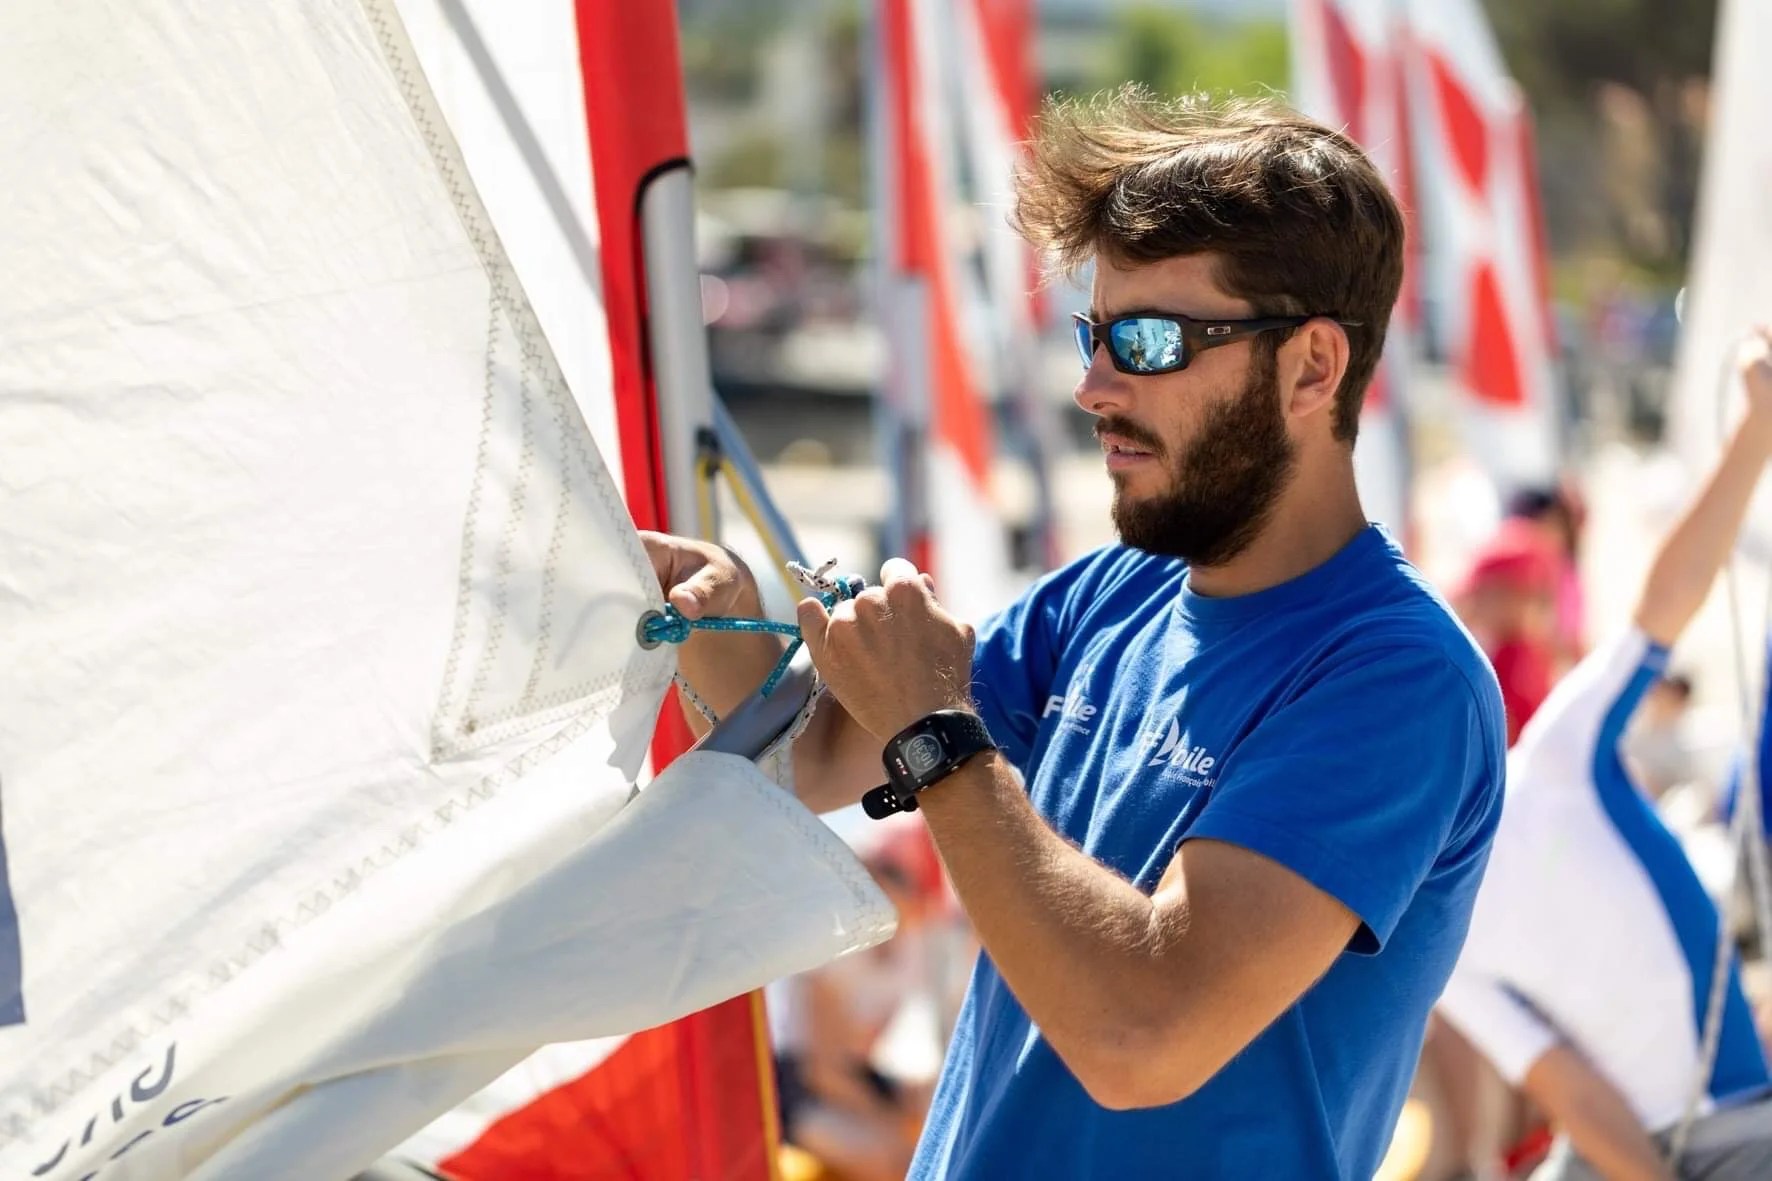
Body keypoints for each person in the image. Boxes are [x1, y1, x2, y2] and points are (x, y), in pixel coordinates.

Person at [646, 90, 1505, 1179]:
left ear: (1310, 368)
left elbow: (1141, 1034)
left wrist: (934, 729)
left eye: (1148, 340)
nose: (1092, 386)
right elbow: (807, 757)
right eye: (1094, 333)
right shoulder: (1106, 593)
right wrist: (705, 609)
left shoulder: (1396, 676)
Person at [1436, 328, 1772, 1181]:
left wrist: (1756, 432)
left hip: (1736, 1120)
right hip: (1615, 1151)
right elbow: (1576, 1095)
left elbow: (1664, 602)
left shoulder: (1553, 756)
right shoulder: (1430, 927)